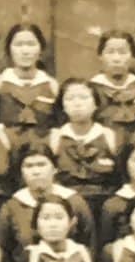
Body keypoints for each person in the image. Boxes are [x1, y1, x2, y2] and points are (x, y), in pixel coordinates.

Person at [0, 149, 95, 262]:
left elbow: (89, 243)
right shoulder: (12, 206)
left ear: (54, 169)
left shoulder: (74, 202)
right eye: (29, 166)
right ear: (21, 172)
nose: (36, 171)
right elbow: (2, 250)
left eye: (41, 165)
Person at [46, 78, 122, 206]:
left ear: (96, 104)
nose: (77, 104)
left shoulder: (110, 136)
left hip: (104, 206)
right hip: (66, 206)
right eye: (70, 99)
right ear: (62, 106)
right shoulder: (54, 138)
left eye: (84, 97)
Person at [0, 21, 59, 156]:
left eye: (31, 44)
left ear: (41, 49)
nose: (25, 51)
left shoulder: (52, 85)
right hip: (7, 152)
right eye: (18, 45)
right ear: (9, 49)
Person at [91, 31, 135, 152]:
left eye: (123, 52)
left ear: (133, 56)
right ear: (100, 56)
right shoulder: (91, 90)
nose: (116, 58)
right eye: (110, 52)